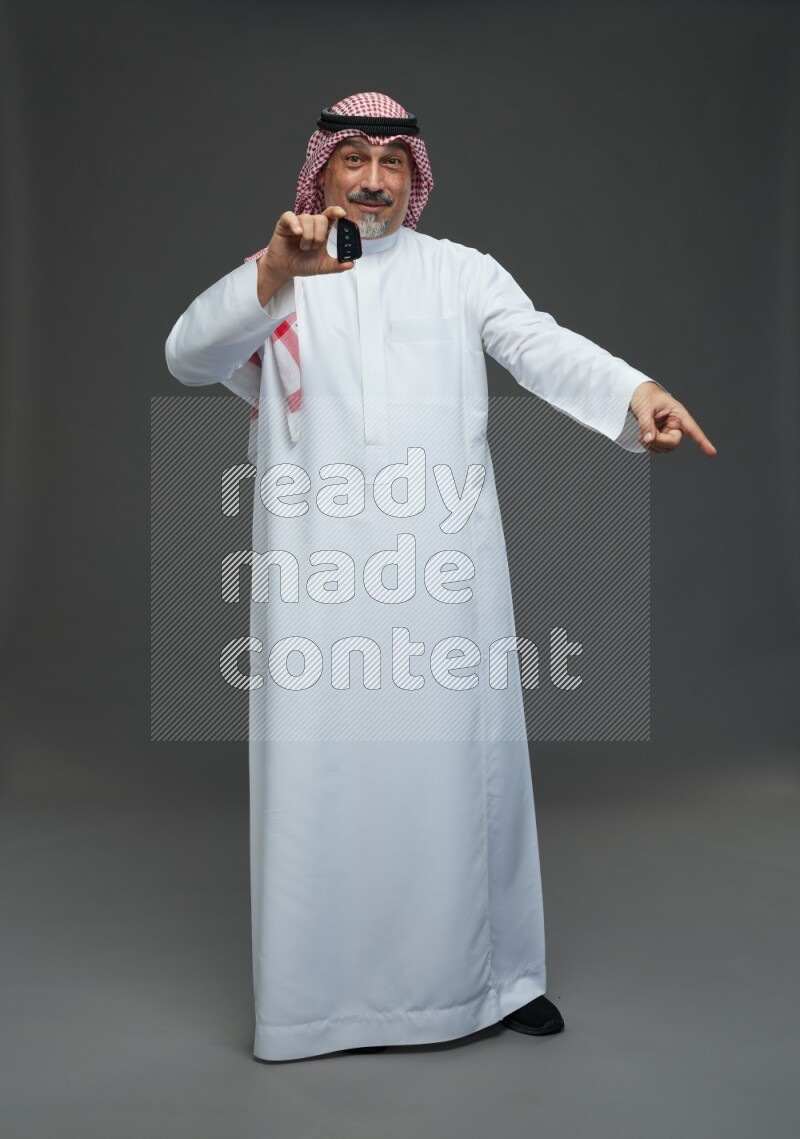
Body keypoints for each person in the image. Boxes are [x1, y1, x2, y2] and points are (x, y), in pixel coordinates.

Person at [164, 91, 716, 1062]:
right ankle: (316, 1005)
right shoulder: (281, 270)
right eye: (353, 158)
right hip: (318, 582)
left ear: (414, 179)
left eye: (391, 161)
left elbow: (537, 343)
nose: (372, 178)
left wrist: (634, 390)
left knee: (464, 774)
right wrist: (268, 273)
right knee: (325, 778)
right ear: (321, 170)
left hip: (441, 575)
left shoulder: (460, 273)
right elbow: (189, 353)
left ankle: (493, 982)